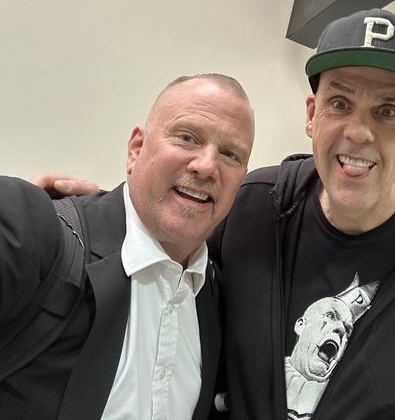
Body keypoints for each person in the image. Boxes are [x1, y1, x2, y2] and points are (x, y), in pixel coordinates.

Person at [33, 9, 395, 419]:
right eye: (340, 103)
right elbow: (174, 248)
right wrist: (104, 214)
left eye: (387, 112)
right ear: (311, 115)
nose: (359, 132)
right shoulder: (253, 207)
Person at [0, 73, 255, 419]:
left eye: (230, 154)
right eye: (187, 138)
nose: (207, 166)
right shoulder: (37, 231)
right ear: (136, 149)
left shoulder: (218, 296)